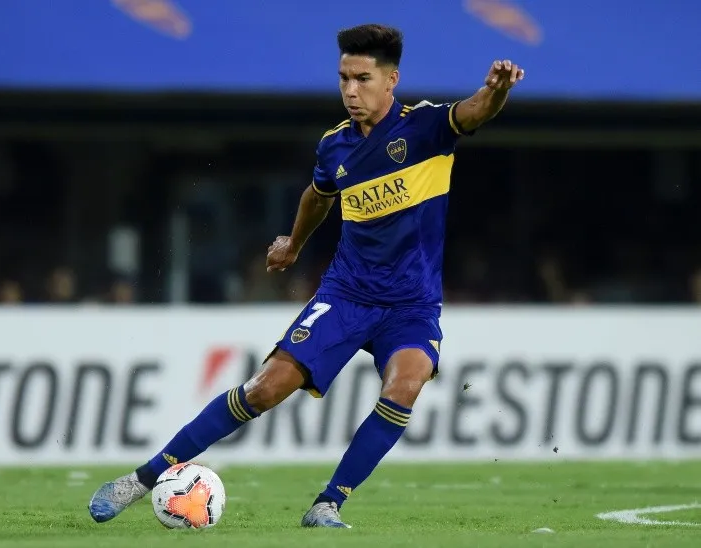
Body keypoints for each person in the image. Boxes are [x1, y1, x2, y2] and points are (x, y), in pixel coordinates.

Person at [88, 23, 524, 529]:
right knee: (265, 389)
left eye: (362, 79)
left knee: (405, 384)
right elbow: (318, 197)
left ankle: (327, 504)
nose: (350, 91)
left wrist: (496, 91)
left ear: (391, 80)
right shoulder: (335, 147)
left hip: (411, 305)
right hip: (347, 295)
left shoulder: (425, 127)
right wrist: (293, 244)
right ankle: (141, 480)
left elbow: (474, 111)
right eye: (344, 79)